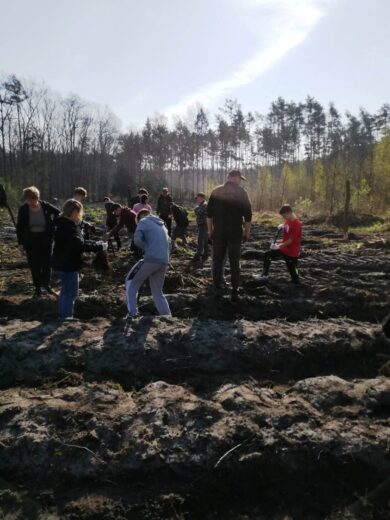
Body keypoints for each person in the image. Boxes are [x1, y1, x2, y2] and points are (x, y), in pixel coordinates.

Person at [52, 199, 107, 320]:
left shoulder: (62, 223)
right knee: (70, 293)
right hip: (68, 265)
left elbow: (78, 242)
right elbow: (79, 246)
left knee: (65, 291)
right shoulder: (69, 227)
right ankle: (66, 318)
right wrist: (99, 246)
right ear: (74, 212)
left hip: (61, 263)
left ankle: (63, 316)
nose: (79, 215)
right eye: (79, 212)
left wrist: (95, 243)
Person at [207, 169, 252, 302]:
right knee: (234, 262)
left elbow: (209, 215)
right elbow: (248, 216)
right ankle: (234, 290)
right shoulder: (242, 192)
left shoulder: (216, 191)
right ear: (235, 178)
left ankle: (217, 289)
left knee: (217, 261)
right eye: (239, 178)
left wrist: (210, 231)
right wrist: (246, 233)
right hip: (235, 234)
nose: (240, 181)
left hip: (219, 233)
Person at [125, 209, 171, 318]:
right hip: (164, 261)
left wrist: (147, 248)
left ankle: (133, 314)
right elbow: (170, 243)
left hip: (151, 258)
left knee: (130, 282)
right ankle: (167, 316)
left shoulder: (143, 221)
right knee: (157, 291)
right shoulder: (162, 225)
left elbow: (137, 240)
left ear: (139, 217)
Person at [16, 186, 60, 298]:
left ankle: (46, 285)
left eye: (31, 200)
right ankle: (37, 288)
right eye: (27, 200)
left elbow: (59, 213)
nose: (29, 202)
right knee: (34, 265)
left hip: (46, 240)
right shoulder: (23, 209)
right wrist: (20, 243)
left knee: (47, 264)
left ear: (37, 197)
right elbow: (20, 227)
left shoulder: (45, 205)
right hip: (30, 241)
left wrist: (53, 225)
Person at [259, 204, 302, 285]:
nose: (284, 218)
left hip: (292, 252)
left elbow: (291, 240)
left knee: (294, 272)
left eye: (284, 216)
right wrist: (282, 227)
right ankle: (264, 275)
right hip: (284, 249)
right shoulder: (288, 220)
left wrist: (278, 246)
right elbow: (287, 228)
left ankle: (296, 283)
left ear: (289, 213)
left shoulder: (297, 224)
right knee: (268, 254)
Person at [193, 192, 209, 261]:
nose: (196, 200)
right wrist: (197, 208)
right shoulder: (202, 205)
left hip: (203, 225)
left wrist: (196, 209)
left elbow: (198, 212)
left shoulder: (204, 205)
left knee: (200, 241)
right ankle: (205, 255)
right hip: (203, 225)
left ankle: (198, 255)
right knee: (205, 241)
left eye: (197, 198)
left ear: (201, 198)